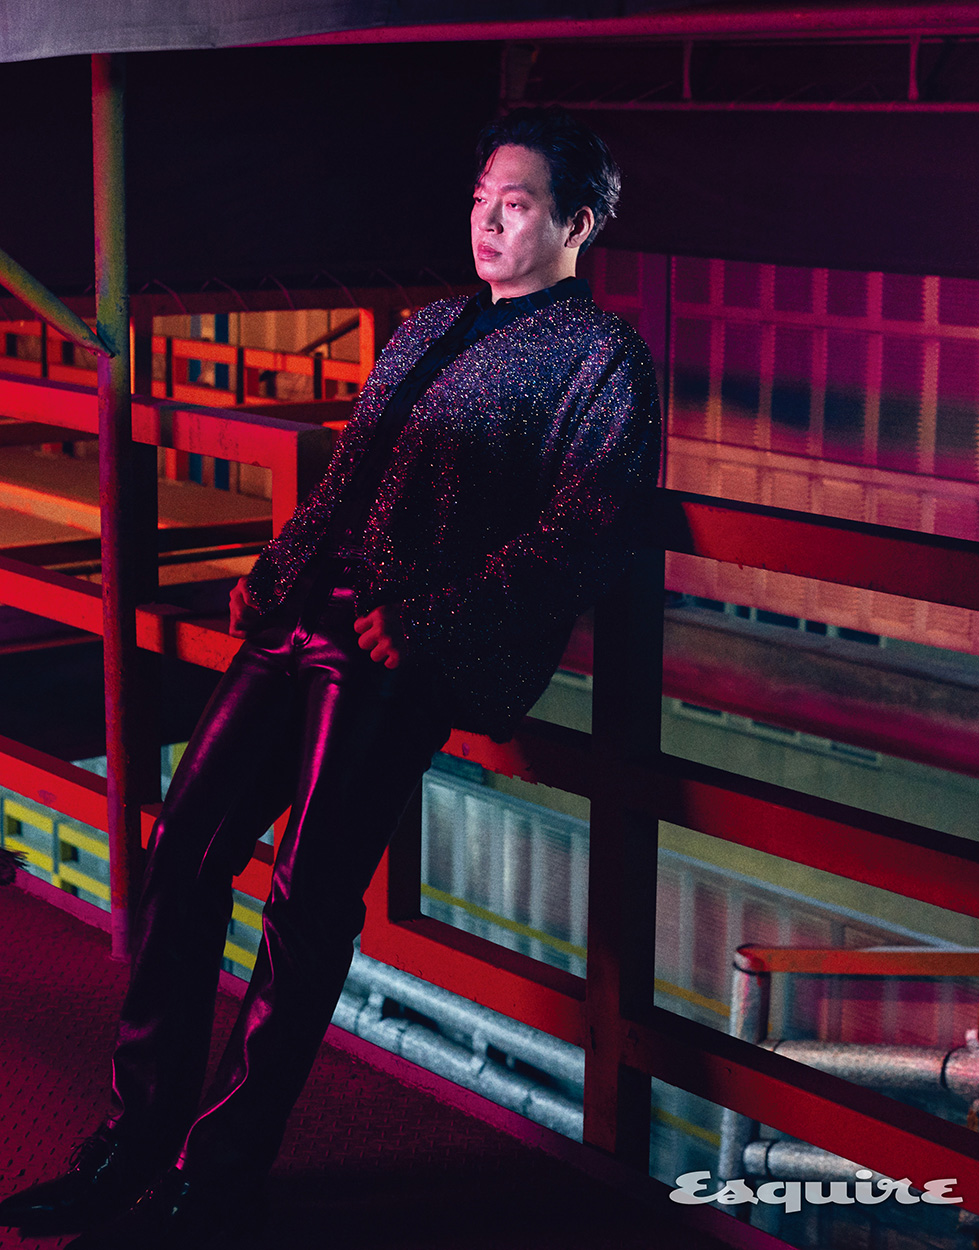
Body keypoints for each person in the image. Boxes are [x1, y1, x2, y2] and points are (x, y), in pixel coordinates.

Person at [0, 107, 660, 1248]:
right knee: (184, 846)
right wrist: (275, 570)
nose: (488, 221)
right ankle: (130, 1142)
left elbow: (588, 530)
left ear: (578, 225)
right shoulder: (432, 324)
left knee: (305, 908)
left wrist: (436, 619)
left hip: (400, 650)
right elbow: (351, 470)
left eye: (516, 205)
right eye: (480, 199)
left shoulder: (601, 359)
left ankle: (216, 1179)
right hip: (304, 615)